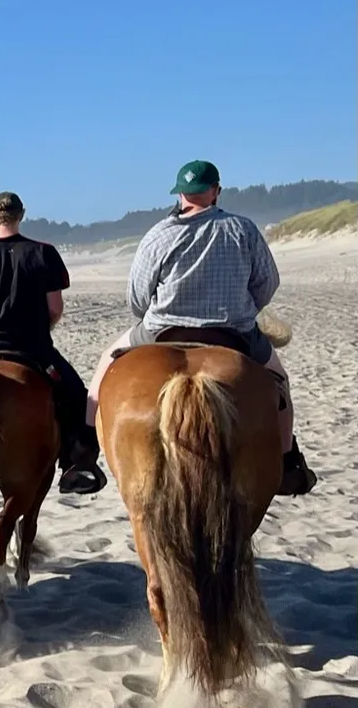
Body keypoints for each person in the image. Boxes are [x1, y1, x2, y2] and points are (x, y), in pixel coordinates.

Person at [86, 160, 314, 495]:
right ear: (216, 191)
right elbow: (267, 284)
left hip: (162, 329)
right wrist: (245, 309)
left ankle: (86, 453)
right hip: (232, 330)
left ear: (180, 194)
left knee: (106, 365)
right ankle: (286, 459)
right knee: (279, 383)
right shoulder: (243, 229)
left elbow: (136, 300)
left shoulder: (159, 234)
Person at [0, 192, 106, 494]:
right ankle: (77, 463)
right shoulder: (44, 253)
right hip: (34, 349)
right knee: (77, 396)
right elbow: (55, 309)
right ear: (21, 215)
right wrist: (41, 328)